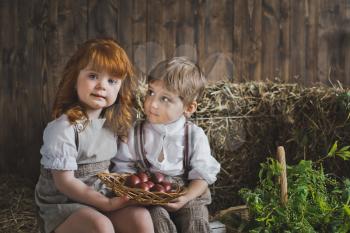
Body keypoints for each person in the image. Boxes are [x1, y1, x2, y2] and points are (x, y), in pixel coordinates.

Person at [35, 38, 154, 233]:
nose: (102, 86)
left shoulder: (111, 125)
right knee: (101, 226)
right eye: (93, 76)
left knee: (140, 217)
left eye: (112, 81)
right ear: (74, 79)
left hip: (100, 196)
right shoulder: (63, 128)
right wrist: (106, 204)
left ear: (119, 88)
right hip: (64, 205)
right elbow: (65, 182)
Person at [111, 57, 220, 233]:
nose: (152, 104)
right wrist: (139, 192)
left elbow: (202, 176)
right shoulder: (134, 133)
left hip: (186, 193)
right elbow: (123, 168)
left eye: (165, 99)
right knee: (156, 219)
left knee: (196, 218)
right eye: (151, 92)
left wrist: (185, 197)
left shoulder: (194, 136)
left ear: (189, 108)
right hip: (149, 197)